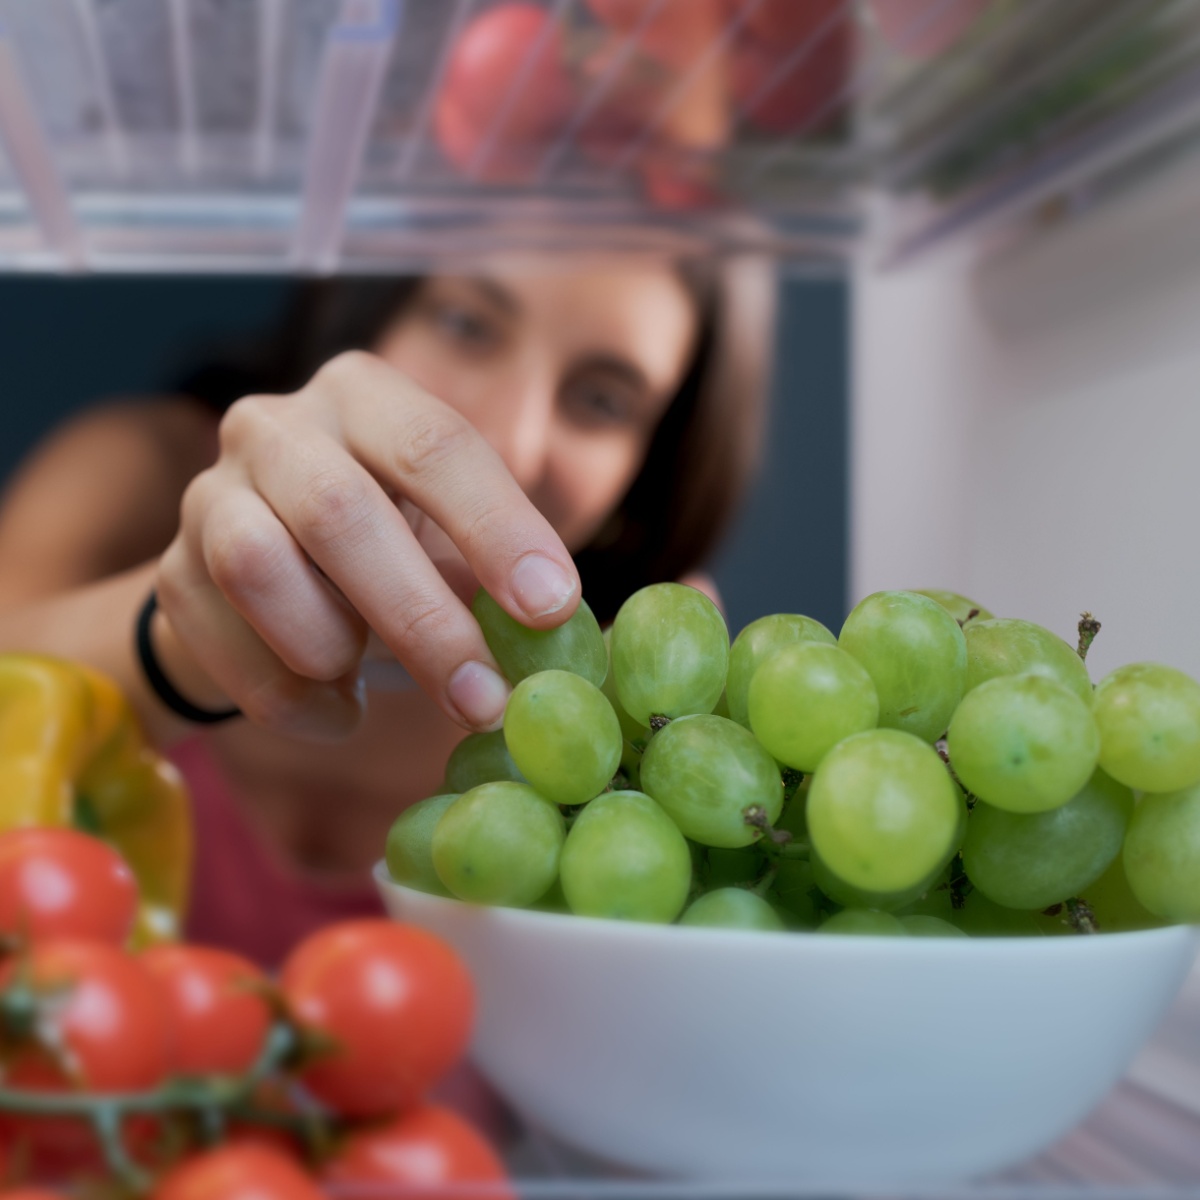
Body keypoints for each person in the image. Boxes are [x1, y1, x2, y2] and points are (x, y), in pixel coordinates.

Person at [0, 254, 775, 968]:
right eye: (467, 324)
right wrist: (183, 639)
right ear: (367, 310)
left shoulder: (638, 700)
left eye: (602, 400)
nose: (508, 436)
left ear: (644, 478)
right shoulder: (135, 471)